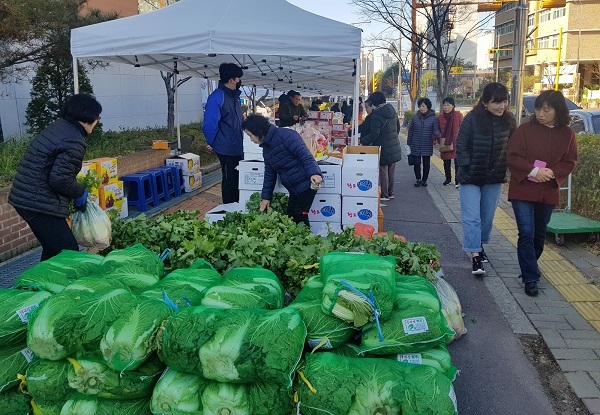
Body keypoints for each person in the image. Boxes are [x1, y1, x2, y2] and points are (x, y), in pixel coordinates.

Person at [8, 94, 102, 261]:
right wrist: (79, 192)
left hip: (26, 198)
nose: (98, 121)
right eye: (97, 117)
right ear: (88, 116)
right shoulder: (74, 139)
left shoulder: (59, 127)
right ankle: (58, 285)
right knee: (69, 252)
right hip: (38, 202)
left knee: (53, 250)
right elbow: (60, 179)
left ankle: (37, 285)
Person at [507, 90, 577, 296]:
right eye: (538, 109)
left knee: (539, 235)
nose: (540, 114)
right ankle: (530, 277)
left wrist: (552, 173)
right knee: (526, 232)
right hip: (523, 188)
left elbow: (570, 161)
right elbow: (512, 157)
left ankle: (530, 265)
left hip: (547, 189)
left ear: (558, 110)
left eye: (546, 110)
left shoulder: (568, 134)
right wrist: (534, 170)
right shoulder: (525, 130)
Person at [456, 82, 516, 276]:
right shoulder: (472, 119)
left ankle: (479, 245)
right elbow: (461, 145)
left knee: (487, 217)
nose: (501, 106)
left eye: (504, 101)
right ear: (484, 102)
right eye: (496, 102)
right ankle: (475, 256)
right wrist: (466, 166)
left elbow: (515, 147)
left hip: (494, 177)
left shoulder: (509, 121)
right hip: (471, 177)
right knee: (472, 217)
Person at [242, 114, 323, 226]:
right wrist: (266, 197)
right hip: (294, 188)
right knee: (290, 214)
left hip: (306, 183)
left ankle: (307, 242)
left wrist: (314, 173)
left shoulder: (286, 135)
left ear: (258, 131)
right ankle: (297, 241)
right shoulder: (266, 148)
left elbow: (305, 155)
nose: (251, 139)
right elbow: (270, 174)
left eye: (250, 135)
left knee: (300, 215)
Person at [202, 63, 244, 204]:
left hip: (237, 146)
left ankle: (238, 206)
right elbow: (209, 125)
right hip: (226, 148)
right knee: (229, 181)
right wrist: (213, 143)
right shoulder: (217, 97)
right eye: (238, 78)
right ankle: (229, 209)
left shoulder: (234, 96)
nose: (239, 81)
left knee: (238, 180)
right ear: (232, 80)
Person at [359, 91, 402, 201]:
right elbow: (398, 127)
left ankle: (384, 194)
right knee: (391, 170)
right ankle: (391, 193)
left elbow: (374, 134)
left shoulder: (377, 115)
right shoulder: (392, 111)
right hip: (394, 145)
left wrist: (362, 142)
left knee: (383, 170)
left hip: (383, 146)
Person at [406, 97, 440, 188]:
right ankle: (418, 179)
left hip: (427, 144)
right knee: (416, 163)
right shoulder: (415, 117)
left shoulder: (433, 118)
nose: (421, 108)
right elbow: (411, 131)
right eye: (420, 106)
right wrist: (409, 143)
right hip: (415, 143)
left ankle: (424, 180)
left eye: (423, 106)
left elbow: (436, 130)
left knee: (426, 163)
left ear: (428, 107)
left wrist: (438, 135)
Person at [437, 97, 464, 186]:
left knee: (457, 162)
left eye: (448, 105)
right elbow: (438, 130)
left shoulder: (458, 115)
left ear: (453, 106)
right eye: (444, 105)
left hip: (457, 142)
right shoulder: (440, 117)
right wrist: (439, 139)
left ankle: (457, 180)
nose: (446, 107)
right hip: (445, 142)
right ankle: (448, 178)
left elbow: (463, 128)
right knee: (446, 161)